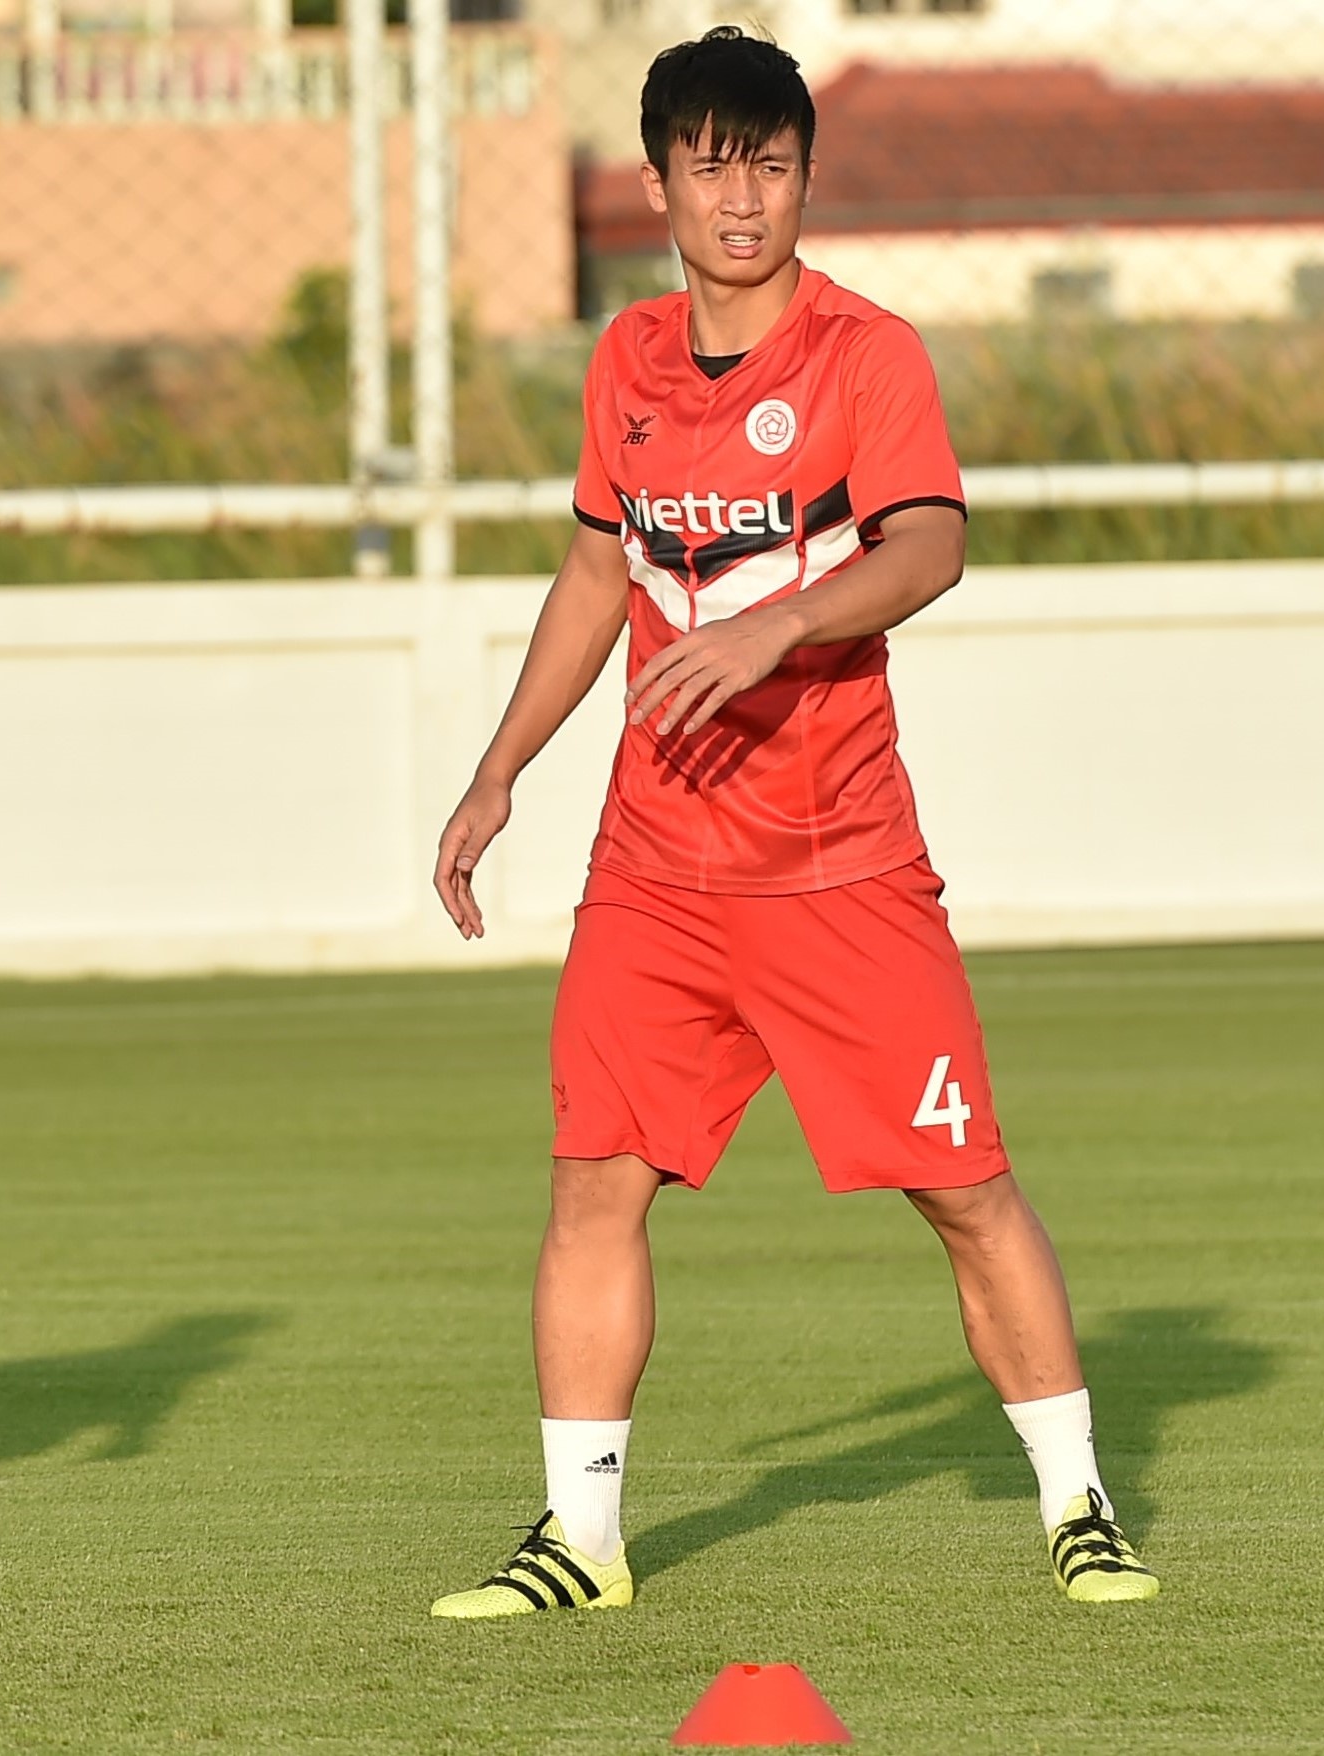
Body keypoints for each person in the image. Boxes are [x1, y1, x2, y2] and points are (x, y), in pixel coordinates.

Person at [425, 28, 1155, 1617]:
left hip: (837, 867)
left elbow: (928, 546)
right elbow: (597, 570)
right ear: (657, 185)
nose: (739, 197)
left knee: (961, 1188)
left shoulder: (864, 356)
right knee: (593, 1182)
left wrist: (781, 625)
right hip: (653, 870)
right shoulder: (623, 361)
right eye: (708, 166)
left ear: (804, 177)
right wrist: (499, 770)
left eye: (767, 165)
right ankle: (580, 1540)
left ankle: (1078, 1504)